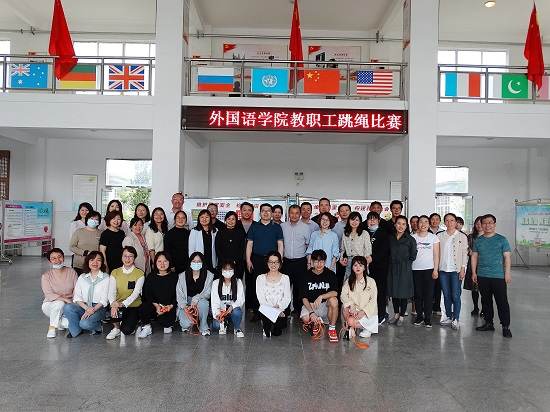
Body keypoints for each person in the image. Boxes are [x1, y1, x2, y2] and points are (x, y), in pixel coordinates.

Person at [471, 214, 512, 338]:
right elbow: (474, 256)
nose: (487, 225)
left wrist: (507, 273)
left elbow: (507, 257)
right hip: (482, 275)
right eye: (484, 223)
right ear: (481, 225)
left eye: (490, 223)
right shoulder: (478, 240)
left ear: (495, 224)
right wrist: (474, 272)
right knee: (486, 300)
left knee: (502, 301)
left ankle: (505, 326)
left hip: (498, 275)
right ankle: (489, 323)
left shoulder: (502, 240)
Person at [246, 203, 284, 322]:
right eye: (263, 211)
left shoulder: (277, 227)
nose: (266, 213)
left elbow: (280, 244)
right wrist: (248, 260)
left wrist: (279, 261)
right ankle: (257, 312)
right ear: (260, 213)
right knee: (257, 286)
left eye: (268, 211)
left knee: (272, 285)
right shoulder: (254, 226)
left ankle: (273, 311)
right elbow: (249, 244)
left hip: (272, 261)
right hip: (256, 259)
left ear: (271, 213)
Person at [63, 251, 110, 338]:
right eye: (92, 260)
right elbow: (77, 296)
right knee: (68, 307)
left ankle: (98, 327)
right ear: (88, 262)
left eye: (98, 260)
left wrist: (92, 309)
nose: (95, 263)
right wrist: (87, 308)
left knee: (85, 324)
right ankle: (76, 330)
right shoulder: (82, 277)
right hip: (84, 306)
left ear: (102, 262)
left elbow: (104, 299)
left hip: (98, 308)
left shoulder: (106, 278)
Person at [437, 213, 468, 330]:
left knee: (455, 295)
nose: (449, 223)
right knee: (446, 295)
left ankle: (456, 318)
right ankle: (449, 316)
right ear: (444, 222)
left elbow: (465, 254)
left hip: (456, 271)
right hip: (443, 270)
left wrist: (463, 269)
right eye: (447, 220)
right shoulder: (440, 236)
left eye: (452, 220)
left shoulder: (462, 237)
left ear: (456, 222)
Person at [300, 249, 339, 343]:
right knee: (305, 318)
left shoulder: (330, 274)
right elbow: (303, 297)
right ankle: (316, 323)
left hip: (325, 306)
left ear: (325, 262)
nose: (319, 264)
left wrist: (321, 296)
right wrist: (311, 312)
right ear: (312, 262)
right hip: (311, 305)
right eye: (316, 261)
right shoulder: (306, 275)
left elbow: (335, 292)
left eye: (321, 261)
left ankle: (332, 329)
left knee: (334, 300)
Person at [106, 246, 145, 339]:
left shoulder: (140, 273)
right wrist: (113, 304)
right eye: (125, 256)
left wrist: (122, 304)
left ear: (134, 258)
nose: (127, 259)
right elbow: (111, 291)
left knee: (127, 330)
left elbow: (136, 293)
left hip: (133, 305)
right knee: (114, 314)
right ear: (121, 257)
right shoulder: (115, 272)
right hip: (117, 304)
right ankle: (116, 328)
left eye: (130, 256)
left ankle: (132, 321)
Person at [138, 252, 178, 338]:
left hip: (168, 307)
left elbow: (177, 295)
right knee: (143, 307)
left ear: (169, 262)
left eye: (165, 261)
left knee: (166, 324)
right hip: (155, 306)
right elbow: (147, 294)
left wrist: (170, 306)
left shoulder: (174, 277)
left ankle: (168, 323)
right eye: (159, 261)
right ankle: (147, 326)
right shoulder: (151, 277)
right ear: (155, 263)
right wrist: (156, 306)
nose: (162, 264)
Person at [387, 215, 417, 326]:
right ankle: (396, 314)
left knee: (403, 292)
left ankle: (402, 316)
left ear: (406, 226)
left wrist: (405, 263)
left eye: (403, 224)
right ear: (395, 225)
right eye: (399, 223)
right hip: (392, 267)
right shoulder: (390, 238)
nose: (401, 226)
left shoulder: (410, 239)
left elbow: (413, 255)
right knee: (394, 291)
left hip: (404, 268)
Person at [41, 248, 78, 338]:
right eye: (54, 258)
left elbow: (77, 289)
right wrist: (66, 300)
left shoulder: (71, 272)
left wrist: (73, 302)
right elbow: (49, 294)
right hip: (50, 305)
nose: (57, 260)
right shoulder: (46, 276)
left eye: (59, 257)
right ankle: (52, 327)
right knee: (59, 303)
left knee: (68, 324)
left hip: (69, 305)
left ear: (63, 258)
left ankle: (58, 322)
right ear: (50, 261)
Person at [411, 215, 440, 328]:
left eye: (426, 222)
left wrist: (435, 270)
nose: (423, 224)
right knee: (418, 294)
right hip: (415, 269)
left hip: (429, 269)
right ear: (418, 224)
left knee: (429, 295)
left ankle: (427, 318)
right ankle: (419, 316)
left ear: (429, 224)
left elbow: (436, 254)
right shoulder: (413, 238)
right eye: (421, 222)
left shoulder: (433, 238)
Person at [281, 205, 310, 315]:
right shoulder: (282, 226)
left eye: (296, 213)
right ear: (288, 214)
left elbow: (308, 244)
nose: (294, 215)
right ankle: (286, 309)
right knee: (285, 286)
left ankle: (298, 309)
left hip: (300, 261)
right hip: (286, 261)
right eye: (292, 213)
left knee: (299, 286)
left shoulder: (305, 227)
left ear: (300, 214)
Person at [177, 252, 214, 336]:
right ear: (190, 262)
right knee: (185, 324)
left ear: (202, 263)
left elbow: (207, 293)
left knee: (203, 303)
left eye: (199, 261)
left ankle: (204, 326)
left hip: (200, 301)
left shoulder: (209, 275)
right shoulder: (182, 276)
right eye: (193, 261)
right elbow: (179, 294)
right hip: (186, 302)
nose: (196, 263)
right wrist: (184, 306)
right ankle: (191, 318)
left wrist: (195, 299)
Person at [341, 256, 378, 338]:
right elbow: (343, 295)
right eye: (355, 265)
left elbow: (373, 300)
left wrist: (363, 311)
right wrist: (351, 304)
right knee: (344, 306)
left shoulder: (371, 281)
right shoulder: (348, 281)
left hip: (368, 312)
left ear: (365, 267)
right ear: (352, 267)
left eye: (360, 265)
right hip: (354, 311)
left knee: (356, 321)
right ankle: (350, 327)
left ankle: (366, 328)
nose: (358, 268)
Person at [256, 251, 291, 337]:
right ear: (267, 263)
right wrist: (273, 310)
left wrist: (279, 308)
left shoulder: (285, 278)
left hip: (280, 309)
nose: (273, 264)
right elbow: (261, 299)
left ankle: (274, 323)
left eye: (276, 262)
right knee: (265, 315)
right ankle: (266, 324)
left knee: (280, 327)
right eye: (271, 262)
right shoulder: (260, 278)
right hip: (266, 309)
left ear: (280, 263)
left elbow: (287, 298)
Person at [365, 211, 390, 324]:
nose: (372, 221)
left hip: (380, 267)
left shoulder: (383, 233)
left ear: (379, 221)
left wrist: (373, 258)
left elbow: (384, 250)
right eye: (370, 219)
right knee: (368, 292)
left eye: (374, 219)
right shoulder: (364, 232)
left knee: (380, 291)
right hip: (366, 267)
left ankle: (381, 314)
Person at [211, 260, 245, 337]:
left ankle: (237, 328)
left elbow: (241, 299)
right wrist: (218, 315)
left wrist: (232, 306)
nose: (228, 271)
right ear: (221, 270)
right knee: (216, 325)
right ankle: (224, 323)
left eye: (230, 269)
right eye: (225, 269)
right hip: (221, 312)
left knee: (237, 312)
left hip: (233, 311)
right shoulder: (216, 283)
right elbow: (214, 301)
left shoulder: (238, 282)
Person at [339, 211, 372, 279]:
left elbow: (368, 250)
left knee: (361, 282)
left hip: (361, 262)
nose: (354, 222)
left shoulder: (364, 233)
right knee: (349, 282)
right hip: (349, 261)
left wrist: (365, 263)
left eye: (357, 220)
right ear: (349, 221)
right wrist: (342, 258)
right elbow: (342, 249)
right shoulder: (346, 233)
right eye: (352, 219)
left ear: (360, 221)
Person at [215, 211, 246, 279]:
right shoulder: (220, 233)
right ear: (225, 220)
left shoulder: (240, 233)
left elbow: (242, 249)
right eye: (229, 219)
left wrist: (236, 261)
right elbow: (218, 249)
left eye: (233, 219)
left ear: (236, 220)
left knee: (236, 283)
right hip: (223, 264)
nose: (230, 221)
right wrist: (225, 262)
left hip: (237, 264)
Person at [464, 216, 484, 316]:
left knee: (484, 288)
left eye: (481, 223)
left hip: (484, 264)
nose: (479, 225)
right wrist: (470, 252)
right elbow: (466, 248)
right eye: (477, 224)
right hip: (473, 264)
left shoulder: (488, 236)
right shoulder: (471, 237)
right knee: (474, 288)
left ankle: (484, 308)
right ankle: (475, 307)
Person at [189, 209, 218, 276]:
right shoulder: (194, 231)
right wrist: (193, 263)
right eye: (202, 217)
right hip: (199, 262)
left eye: (207, 217)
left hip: (212, 261)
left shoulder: (215, 230)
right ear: (199, 219)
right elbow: (191, 249)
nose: (204, 219)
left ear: (210, 218)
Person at [333, 203, 351, 298]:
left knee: (352, 280)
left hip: (353, 255)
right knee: (339, 279)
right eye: (342, 211)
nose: (344, 212)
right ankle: (339, 302)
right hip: (341, 255)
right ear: (339, 213)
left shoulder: (356, 224)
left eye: (346, 210)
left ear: (350, 212)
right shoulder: (336, 226)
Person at [430, 212, 444, 316]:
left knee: (438, 286)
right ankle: (429, 306)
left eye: (437, 219)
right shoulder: (426, 231)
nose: (435, 221)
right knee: (429, 286)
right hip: (428, 262)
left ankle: (437, 306)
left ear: (440, 221)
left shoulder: (443, 232)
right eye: (433, 219)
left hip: (439, 261)